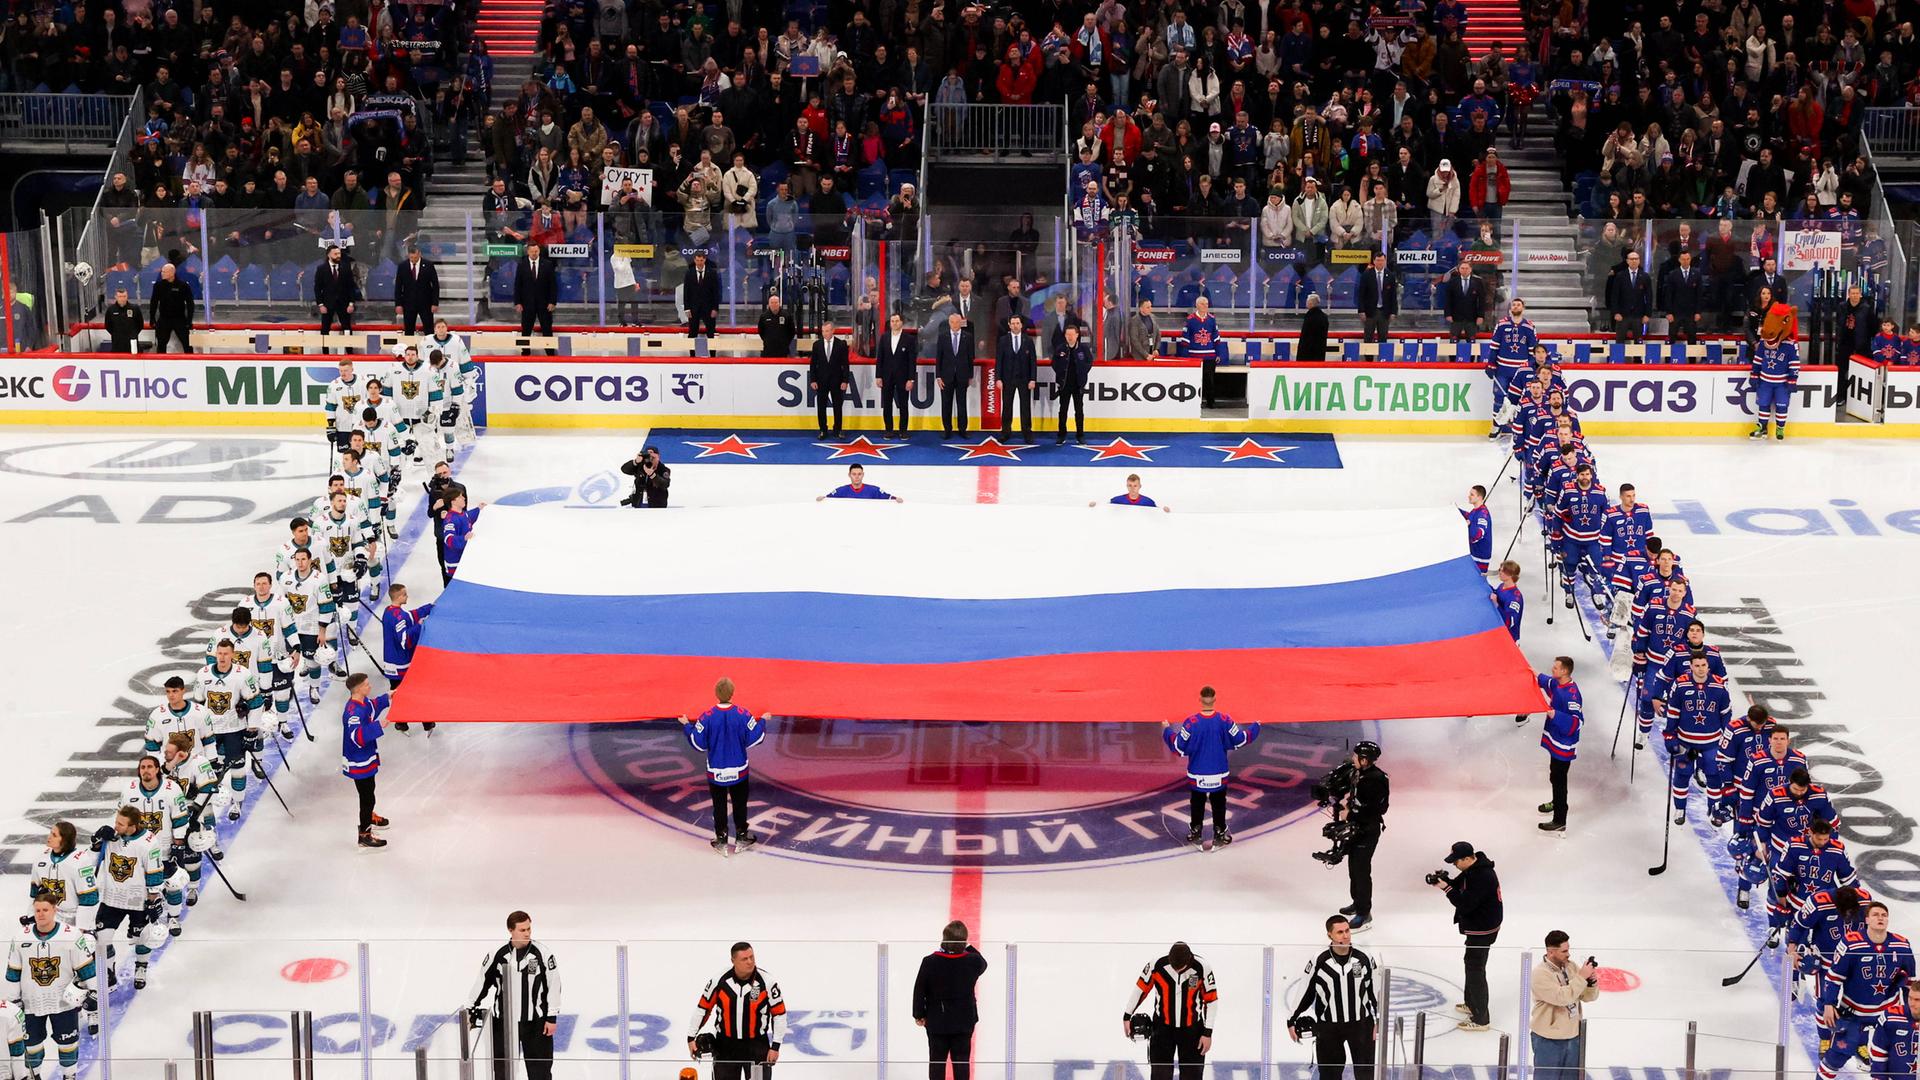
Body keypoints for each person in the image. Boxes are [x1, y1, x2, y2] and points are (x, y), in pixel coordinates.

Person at [1819, 903, 1916, 1080]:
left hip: (1887, 1014)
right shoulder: (1851, 943)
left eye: (1884, 915)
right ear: (1866, 919)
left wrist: (1907, 1015)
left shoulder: (1902, 945)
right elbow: (1833, 977)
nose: (1880, 918)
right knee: (1834, 1059)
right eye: (1876, 914)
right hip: (1854, 1013)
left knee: (1895, 1063)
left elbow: (1910, 984)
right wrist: (1828, 1004)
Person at [9, 891, 96, 1078]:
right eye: (37, 910)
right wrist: (13, 1000)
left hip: (63, 1002)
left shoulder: (71, 935)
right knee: (32, 1047)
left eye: (45, 910)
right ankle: (36, 1075)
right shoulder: (20, 937)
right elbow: (13, 972)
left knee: (68, 1044)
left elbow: (86, 967)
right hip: (30, 1003)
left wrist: (94, 990)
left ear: (54, 910)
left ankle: (69, 1075)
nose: (40, 914)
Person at [466, 910, 562, 1080]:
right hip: (503, 1023)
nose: (527, 933)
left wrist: (551, 1017)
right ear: (511, 930)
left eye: (529, 929)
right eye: (522, 930)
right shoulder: (497, 954)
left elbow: (554, 985)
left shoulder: (543, 953)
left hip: (536, 1023)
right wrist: (470, 1007)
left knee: (540, 1072)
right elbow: (482, 981)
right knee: (502, 1071)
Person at [1162, 686, 1260, 847]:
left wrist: (1166, 730)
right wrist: (1256, 726)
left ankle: (1196, 833)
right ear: (1215, 699)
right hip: (1219, 772)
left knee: (1197, 803)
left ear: (1199, 699)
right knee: (1219, 803)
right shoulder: (1225, 720)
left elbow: (1178, 745)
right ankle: (1220, 833)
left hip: (1197, 772)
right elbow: (1240, 739)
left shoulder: (1191, 722)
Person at [1287, 916, 1379, 1080]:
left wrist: (1379, 1020)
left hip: (1362, 1025)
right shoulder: (1319, 960)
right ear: (1330, 935)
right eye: (1340, 932)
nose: (1345, 935)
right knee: (1329, 1075)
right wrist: (1291, 1019)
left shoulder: (1364, 957)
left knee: (1366, 1075)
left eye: (1347, 930)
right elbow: (1306, 991)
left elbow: (1375, 991)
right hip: (1329, 1027)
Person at [681, 678, 767, 852]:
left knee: (718, 805)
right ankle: (742, 835)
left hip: (716, 771)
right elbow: (756, 737)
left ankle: (721, 838)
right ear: (732, 693)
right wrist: (764, 721)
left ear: (716, 694)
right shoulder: (743, 714)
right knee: (740, 803)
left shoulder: (706, 717)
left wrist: (687, 726)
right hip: (739, 770)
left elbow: (698, 743)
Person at [1431, 840, 1503, 1030]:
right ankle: (1471, 1004)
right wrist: (1445, 881)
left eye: (1456, 861)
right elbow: (1460, 884)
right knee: (1471, 965)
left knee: (1476, 970)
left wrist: (1445, 888)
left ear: (1467, 858)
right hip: (1480, 926)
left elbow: (1465, 903)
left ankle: (1481, 1019)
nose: (1454, 865)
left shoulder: (1482, 876)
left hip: (1483, 929)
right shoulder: (1474, 869)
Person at [689, 942, 786, 1080]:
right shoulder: (719, 981)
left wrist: (775, 1046)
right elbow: (703, 1008)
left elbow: (779, 1015)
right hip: (726, 1045)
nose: (750, 962)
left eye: (752, 957)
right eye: (744, 959)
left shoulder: (767, 982)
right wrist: (691, 1036)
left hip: (757, 1046)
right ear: (733, 961)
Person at [1121, 941, 1217, 1080]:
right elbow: (1141, 988)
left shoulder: (1202, 967)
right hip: (1162, 1029)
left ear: (1189, 960)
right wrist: (1126, 1016)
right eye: (1174, 967)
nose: (1177, 970)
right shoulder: (1157, 965)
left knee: (1192, 1077)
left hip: (1192, 1030)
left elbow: (1211, 1000)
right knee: (1160, 1076)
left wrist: (1207, 1033)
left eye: (1181, 968)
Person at [912, 921, 989, 1080]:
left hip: (937, 1022)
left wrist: (918, 1014)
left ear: (944, 939)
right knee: (961, 1063)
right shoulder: (973, 961)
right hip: (963, 1022)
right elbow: (983, 963)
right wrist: (966, 945)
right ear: (964, 940)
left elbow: (919, 990)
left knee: (937, 1063)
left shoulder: (930, 962)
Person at [1664, 653, 1733, 824]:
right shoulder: (1680, 685)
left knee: (1714, 775)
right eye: (1697, 665)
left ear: (1708, 667)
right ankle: (1680, 808)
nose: (1700, 669)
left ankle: (1714, 809)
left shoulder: (1719, 685)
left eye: (1703, 665)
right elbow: (1673, 712)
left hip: (1712, 741)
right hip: (1685, 741)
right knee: (1683, 773)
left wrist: (1726, 739)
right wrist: (1670, 736)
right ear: (1691, 667)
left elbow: (1726, 714)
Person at [1529, 931, 1598, 1080]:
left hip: (1572, 1036)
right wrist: (1581, 977)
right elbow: (1562, 997)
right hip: (1548, 1039)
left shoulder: (1571, 966)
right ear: (1551, 951)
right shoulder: (1540, 974)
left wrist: (1591, 983)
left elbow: (1587, 996)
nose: (1568, 954)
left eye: (1568, 949)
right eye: (1564, 951)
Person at [1336, 741, 1389, 931]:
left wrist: (1349, 814)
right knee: (1354, 868)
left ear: (1364, 760)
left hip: (1368, 829)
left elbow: (1377, 809)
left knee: (1361, 870)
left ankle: (1364, 913)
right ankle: (1357, 903)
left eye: (1356, 755)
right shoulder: (1362, 773)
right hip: (1358, 826)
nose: (1353, 758)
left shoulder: (1375, 779)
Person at [1530, 657, 1583, 832]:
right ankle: (1556, 801)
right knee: (1554, 775)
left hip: (1564, 745)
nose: (1552, 669)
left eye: (1555, 668)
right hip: (1556, 739)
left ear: (1564, 671)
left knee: (1560, 781)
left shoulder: (1572, 696)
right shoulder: (1557, 683)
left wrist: (1551, 713)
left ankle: (1560, 820)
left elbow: (1577, 722)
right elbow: (1544, 680)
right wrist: (1529, 669)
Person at [341, 673, 392, 849]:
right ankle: (364, 833)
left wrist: (389, 697)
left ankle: (369, 815)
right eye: (367, 685)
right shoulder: (352, 713)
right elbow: (357, 737)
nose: (370, 687)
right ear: (359, 689)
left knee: (370, 790)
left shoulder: (363, 702)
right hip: (358, 760)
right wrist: (379, 726)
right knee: (367, 796)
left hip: (366, 756)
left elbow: (373, 706)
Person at [381, 583, 434, 733]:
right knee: (416, 691)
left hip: (391, 662)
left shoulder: (389, 611)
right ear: (399, 597)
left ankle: (401, 723)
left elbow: (410, 615)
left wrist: (429, 607)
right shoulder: (399, 617)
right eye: (405, 594)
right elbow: (404, 641)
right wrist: (419, 625)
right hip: (402, 663)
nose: (407, 596)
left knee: (398, 694)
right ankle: (427, 722)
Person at [1749, 303, 1801, 440]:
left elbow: (1794, 363)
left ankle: (1780, 427)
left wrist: (1792, 379)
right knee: (1763, 404)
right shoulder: (1763, 343)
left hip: (1782, 384)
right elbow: (1758, 359)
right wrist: (1754, 374)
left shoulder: (1790, 345)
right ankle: (1762, 427)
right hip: (1765, 381)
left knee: (1782, 405)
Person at [996, 314, 1038, 442]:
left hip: (1024, 380)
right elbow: (999, 361)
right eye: (1012, 323)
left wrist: (1033, 379)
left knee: (1025, 407)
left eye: (1017, 323)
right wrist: (998, 378)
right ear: (1009, 325)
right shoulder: (1003, 340)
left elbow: (1033, 361)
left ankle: (1027, 432)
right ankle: (1005, 432)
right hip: (1007, 379)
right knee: (1007, 406)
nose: (1015, 325)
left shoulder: (1028, 340)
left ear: (1021, 325)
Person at [935, 310, 975, 440]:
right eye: (952, 322)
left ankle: (963, 429)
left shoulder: (968, 337)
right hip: (946, 376)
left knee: (961, 403)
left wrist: (970, 375)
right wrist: (938, 376)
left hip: (962, 376)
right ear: (949, 323)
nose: (955, 324)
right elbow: (939, 358)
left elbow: (970, 358)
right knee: (946, 404)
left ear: (961, 323)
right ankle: (947, 429)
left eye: (957, 322)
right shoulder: (943, 337)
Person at [877, 312, 917, 440]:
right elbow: (880, 359)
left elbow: (912, 361)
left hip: (903, 377)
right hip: (887, 376)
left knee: (903, 404)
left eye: (896, 321)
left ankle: (903, 431)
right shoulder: (884, 337)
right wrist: (878, 376)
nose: (894, 323)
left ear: (901, 323)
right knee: (887, 404)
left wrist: (911, 379)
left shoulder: (909, 339)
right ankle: (888, 430)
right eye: (892, 321)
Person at [808, 319, 852, 437]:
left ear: (833, 331)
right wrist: (813, 379)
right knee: (821, 406)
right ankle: (823, 429)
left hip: (837, 381)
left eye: (827, 331)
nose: (825, 333)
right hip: (821, 380)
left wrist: (845, 380)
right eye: (823, 331)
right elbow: (813, 364)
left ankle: (838, 429)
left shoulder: (841, 344)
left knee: (837, 406)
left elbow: (845, 364)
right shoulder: (817, 345)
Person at [514, 243, 558, 355]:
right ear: (528, 252)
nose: (534, 253)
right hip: (527, 304)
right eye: (532, 251)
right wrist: (517, 302)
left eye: (536, 251)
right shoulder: (521, 265)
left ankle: (550, 352)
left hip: (544, 304)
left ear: (539, 251)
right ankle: (525, 351)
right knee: (526, 329)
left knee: (547, 329)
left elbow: (553, 285)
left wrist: (552, 301)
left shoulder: (547, 265)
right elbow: (517, 285)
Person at [1055, 323, 1095, 445]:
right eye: (1068, 334)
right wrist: (1061, 374)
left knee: (1079, 411)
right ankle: (1061, 435)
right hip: (1064, 384)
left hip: (1078, 385)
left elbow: (1089, 362)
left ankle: (1080, 435)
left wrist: (1082, 374)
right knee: (1063, 410)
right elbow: (1054, 363)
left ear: (1077, 335)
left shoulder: (1083, 349)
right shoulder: (1060, 348)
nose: (1070, 337)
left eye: (1072, 334)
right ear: (1065, 335)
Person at [313, 245, 359, 347]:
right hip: (327, 303)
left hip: (344, 303)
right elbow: (317, 288)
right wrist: (320, 305)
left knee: (347, 328)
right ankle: (325, 354)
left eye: (339, 254)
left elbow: (351, 287)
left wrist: (351, 303)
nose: (338, 256)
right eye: (335, 254)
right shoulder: (321, 269)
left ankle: (349, 351)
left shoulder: (345, 268)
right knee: (325, 328)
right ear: (329, 255)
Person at [1606, 250, 1653, 344]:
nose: (1634, 261)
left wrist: (1647, 314)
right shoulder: (1620, 276)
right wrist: (1615, 312)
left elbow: (1649, 297)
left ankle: (1637, 359)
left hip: (1638, 315)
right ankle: (1618, 358)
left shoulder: (1645, 276)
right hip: (1622, 315)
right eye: (1631, 259)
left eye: (1636, 259)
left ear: (1639, 261)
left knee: (1638, 341)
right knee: (1619, 340)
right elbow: (1615, 296)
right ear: (1627, 261)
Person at [148, 261, 195, 353]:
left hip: (180, 319)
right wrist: (152, 318)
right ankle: (161, 365)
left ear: (172, 272)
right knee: (161, 344)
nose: (162, 273)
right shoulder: (158, 286)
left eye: (164, 272)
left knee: (187, 344)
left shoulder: (183, 286)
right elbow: (153, 302)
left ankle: (190, 364)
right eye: (162, 271)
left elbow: (190, 303)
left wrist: (189, 320)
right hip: (164, 319)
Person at [393, 244, 441, 335]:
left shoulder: (428, 265)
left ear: (419, 254)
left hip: (426, 304)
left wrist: (435, 303)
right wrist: (398, 304)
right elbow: (398, 286)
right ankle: (410, 349)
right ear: (408, 255)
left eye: (415, 257)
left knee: (429, 330)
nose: (413, 260)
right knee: (409, 330)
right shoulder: (402, 266)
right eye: (411, 257)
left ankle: (429, 348)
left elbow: (435, 285)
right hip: (408, 304)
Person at [1663, 250, 1706, 345]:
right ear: (1679, 260)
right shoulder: (1673, 274)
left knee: (1692, 337)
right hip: (1675, 312)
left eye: (1687, 259)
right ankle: (1669, 358)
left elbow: (1699, 295)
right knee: (1672, 336)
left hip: (1691, 312)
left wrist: (1698, 312)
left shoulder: (1697, 274)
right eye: (1683, 259)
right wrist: (1669, 312)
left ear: (1690, 259)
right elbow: (1668, 295)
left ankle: (1692, 359)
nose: (1686, 261)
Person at [1184, 297, 1221, 407]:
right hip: (1194, 355)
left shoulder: (1212, 319)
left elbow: (1216, 338)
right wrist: (1185, 356)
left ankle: (1210, 402)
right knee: (1195, 379)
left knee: (1209, 380)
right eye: (1203, 304)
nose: (1206, 306)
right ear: (1197, 305)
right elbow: (1185, 340)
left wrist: (1218, 353)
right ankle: (1195, 402)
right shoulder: (1190, 319)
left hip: (1210, 355)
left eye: (1207, 304)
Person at [441, 491, 484, 581]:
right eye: (460, 497)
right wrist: (463, 538)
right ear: (453, 501)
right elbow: (448, 539)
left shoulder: (463, 513)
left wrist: (479, 509)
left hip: (465, 559)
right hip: (456, 564)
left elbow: (469, 517)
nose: (464, 498)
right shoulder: (450, 520)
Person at [1356, 252, 1397, 344]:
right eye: (1378, 260)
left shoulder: (1390, 275)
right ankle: (1369, 358)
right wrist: (1361, 310)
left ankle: (1383, 358)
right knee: (1368, 337)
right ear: (1374, 261)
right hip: (1370, 312)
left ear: (1385, 261)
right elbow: (1361, 294)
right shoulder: (1366, 275)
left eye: (1382, 260)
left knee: (1383, 338)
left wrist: (1393, 312)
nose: (1380, 263)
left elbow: (1393, 296)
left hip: (1384, 312)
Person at [1439, 262, 1485, 343]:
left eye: (1467, 268)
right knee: (1453, 341)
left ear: (1470, 269)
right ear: (1459, 270)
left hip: (1472, 317)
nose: (1464, 270)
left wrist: (1481, 316)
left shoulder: (1478, 282)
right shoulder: (1452, 282)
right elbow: (1448, 299)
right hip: (1456, 317)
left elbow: (1481, 300)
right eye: (1462, 268)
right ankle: (1453, 356)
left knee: (1471, 341)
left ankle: (1471, 356)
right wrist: (1448, 314)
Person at [684, 251, 722, 345]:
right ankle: (692, 357)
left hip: (708, 308)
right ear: (694, 260)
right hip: (693, 308)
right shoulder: (689, 273)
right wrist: (687, 308)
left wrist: (715, 308)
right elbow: (686, 292)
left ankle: (712, 357)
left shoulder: (712, 273)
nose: (699, 262)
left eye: (701, 260)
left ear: (704, 260)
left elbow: (716, 292)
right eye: (697, 260)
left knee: (711, 333)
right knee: (692, 332)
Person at [820, 464, 902, 502]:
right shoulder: (841, 491)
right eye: (854, 474)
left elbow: (889, 498)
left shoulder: (874, 490)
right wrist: (822, 499)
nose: (857, 477)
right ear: (849, 475)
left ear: (863, 475)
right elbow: (827, 499)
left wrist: (897, 499)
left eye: (859, 474)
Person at [1097, 474, 1168, 511]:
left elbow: (1157, 513)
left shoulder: (1148, 502)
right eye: (1130, 485)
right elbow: (1105, 507)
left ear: (1140, 486)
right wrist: (1095, 505)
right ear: (1126, 486)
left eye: (1135, 486)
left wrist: (1164, 510)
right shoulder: (1118, 500)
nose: (1132, 488)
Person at [1462, 485, 1492, 572]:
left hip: (1479, 558)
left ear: (1479, 497)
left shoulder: (1483, 515)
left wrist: (1467, 525)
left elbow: (1477, 535)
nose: (1469, 496)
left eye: (1472, 494)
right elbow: (1470, 517)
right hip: (1474, 553)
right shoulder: (1476, 510)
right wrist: (1457, 510)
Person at [104, 286, 143, 353]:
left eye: (124, 296)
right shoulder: (111, 310)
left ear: (127, 296)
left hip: (132, 343)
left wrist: (133, 334)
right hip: (117, 343)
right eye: (120, 296)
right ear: (116, 297)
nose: (122, 299)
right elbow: (108, 326)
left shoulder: (134, 309)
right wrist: (116, 334)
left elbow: (140, 325)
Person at [1493, 561, 1524, 641]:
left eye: (1502, 571)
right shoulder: (1502, 586)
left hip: (1510, 639)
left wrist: (1496, 604)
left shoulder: (1515, 599)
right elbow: (1496, 594)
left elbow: (1510, 621)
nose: (1500, 572)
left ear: (1510, 575)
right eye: (1500, 569)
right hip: (1500, 633)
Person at [1297, 294, 1330, 361]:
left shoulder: (1309, 316)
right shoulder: (1323, 316)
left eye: (1307, 301)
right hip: (1320, 351)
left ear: (1311, 303)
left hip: (1307, 352)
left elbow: (1306, 336)